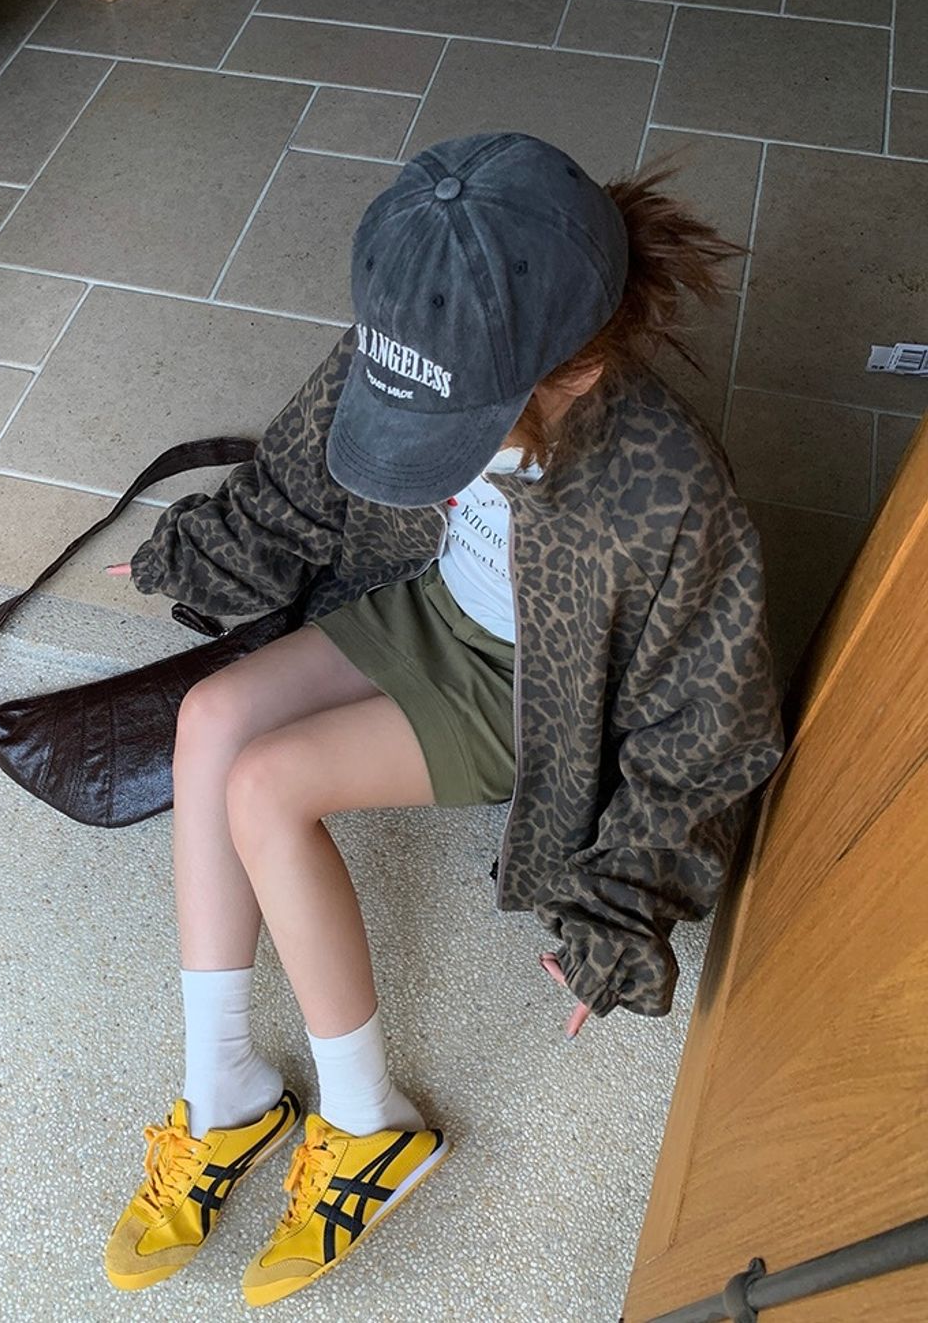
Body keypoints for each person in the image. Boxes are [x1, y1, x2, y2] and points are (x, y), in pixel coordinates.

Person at [100, 132, 785, 1307]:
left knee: (267, 786)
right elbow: (300, 474)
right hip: (421, 603)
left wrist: (621, 909)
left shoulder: (670, 489)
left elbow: (704, 725)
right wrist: (200, 552)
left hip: (542, 691)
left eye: (457, 428)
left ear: (575, 373)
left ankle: (370, 1120)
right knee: (209, 717)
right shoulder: (415, 343)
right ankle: (226, 1090)